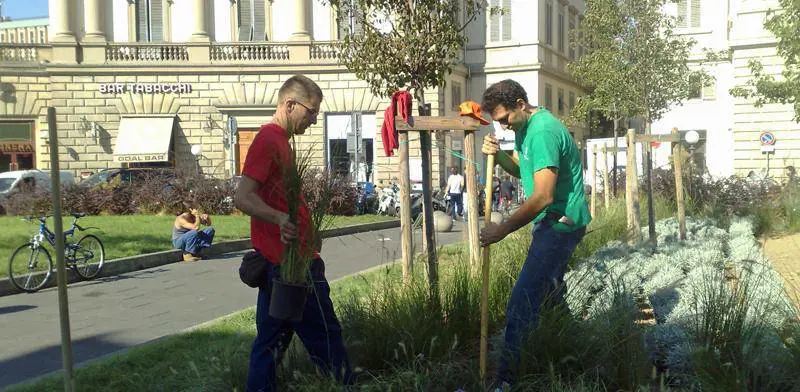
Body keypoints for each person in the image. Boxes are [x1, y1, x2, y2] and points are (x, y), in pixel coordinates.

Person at [234, 74, 352, 392]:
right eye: (311, 112)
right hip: (290, 268)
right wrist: (280, 218)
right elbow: (242, 196)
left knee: (270, 346)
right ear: (290, 104)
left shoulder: (281, 142)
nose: (313, 120)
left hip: (288, 264)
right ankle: (345, 386)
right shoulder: (268, 139)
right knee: (326, 338)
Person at [478, 79, 591, 390]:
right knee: (550, 297)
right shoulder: (525, 128)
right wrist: (498, 154)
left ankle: (505, 382)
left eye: (503, 119)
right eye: (496, 122)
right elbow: (523, 168)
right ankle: (573, 357)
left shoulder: (542, 132)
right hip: (553, 221)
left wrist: (501, 230)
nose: (501, 127)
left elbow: (542, 196)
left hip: (559, 224)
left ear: (520, 105)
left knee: (522, 301)